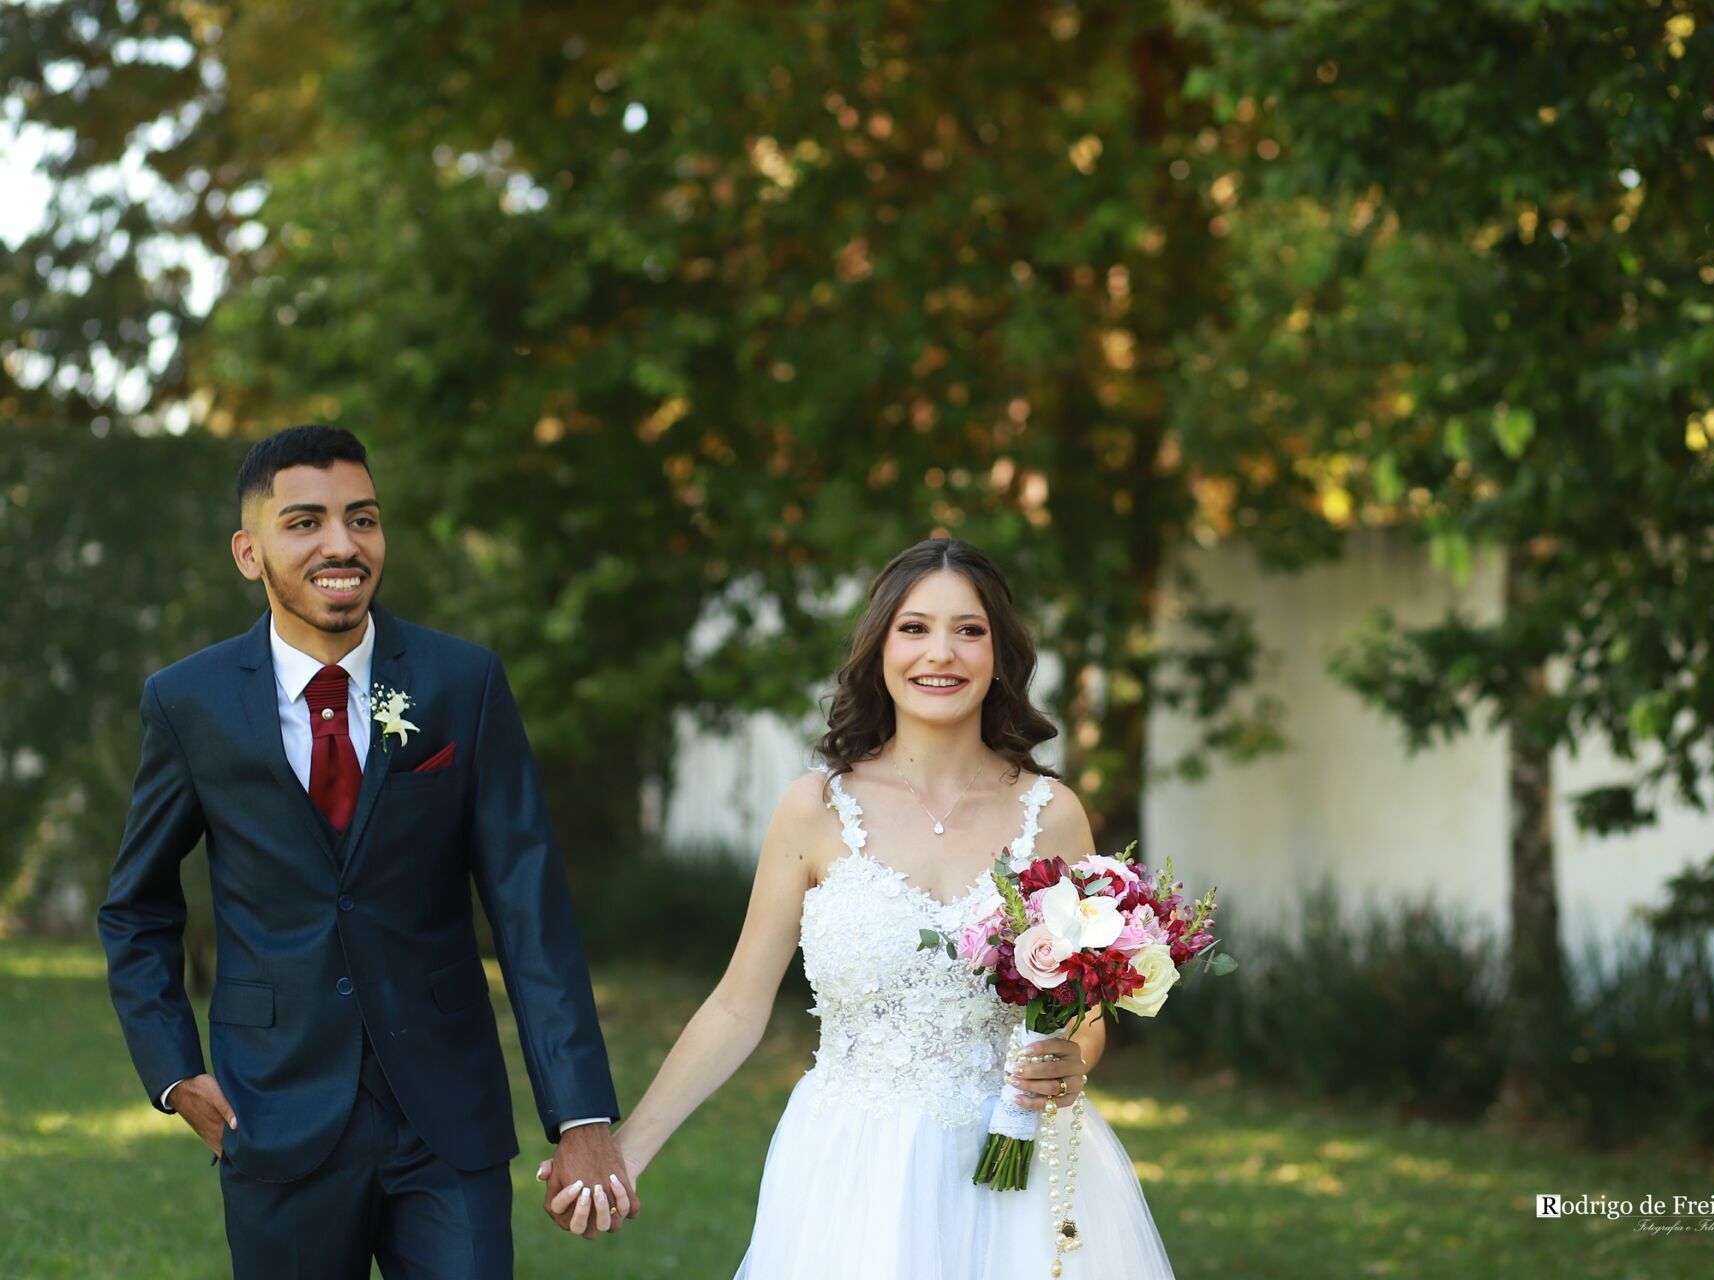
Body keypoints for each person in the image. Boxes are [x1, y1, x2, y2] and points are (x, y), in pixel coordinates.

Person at [542, 536, 1176, 1276]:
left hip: (1025, 1174)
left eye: (968, 630)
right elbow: (736, 1007)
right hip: (854, 1171)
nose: (940, 653)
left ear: (999, 653)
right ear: (880, 648)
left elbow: (1082, 1011)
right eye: (915, 628)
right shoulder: (815, 810)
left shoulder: (1053, 813)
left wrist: (1074, 1058)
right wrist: (625, 1151)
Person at [98, 425, 631, 1278]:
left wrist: (580, 1116)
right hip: (273, 1109)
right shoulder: (187, 703)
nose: (341, 544)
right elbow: (136, 907)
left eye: (363, 518)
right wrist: (173, 1073)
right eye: (304, 522)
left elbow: (530, 909)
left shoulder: (464, 684)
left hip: (446, 1117)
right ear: (250, 552)